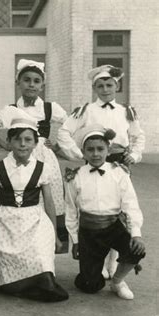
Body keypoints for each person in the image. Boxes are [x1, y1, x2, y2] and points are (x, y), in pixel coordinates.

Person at [57, 65, 146, 278]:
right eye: (100, 86)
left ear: (117, 85)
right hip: (93, 158)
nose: (105, 89)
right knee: (95, 204)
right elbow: (63, 132)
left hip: (118, 163)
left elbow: (138, 136)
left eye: (109, 85)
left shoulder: (126, 111)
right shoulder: (87, 110)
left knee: (119, 213)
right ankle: (98, 261)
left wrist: (133, 155)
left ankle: (113, 264)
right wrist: (78, 154)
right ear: (94, 88)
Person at [0, 59, 69, 253]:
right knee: (23, 202)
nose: (32, 84)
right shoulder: (10, 109)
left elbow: (71, 125)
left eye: (36, 81)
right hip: (19, 158)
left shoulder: (49, 108)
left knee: (49, 201)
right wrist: (7, 145)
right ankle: (20, 250)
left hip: (45, 159)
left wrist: (57, 146)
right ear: (18, 82)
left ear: (42, 84)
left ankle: (47, 251)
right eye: (27, 80)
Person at [0, 117, 68, 302]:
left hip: (35, 219)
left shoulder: (42, 168)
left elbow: (49, 203)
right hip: (7, 220)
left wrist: (54, 234)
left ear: (36, 143)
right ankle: (19, 284)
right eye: (17, 139)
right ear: (9, 142)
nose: (22, 144)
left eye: (28, 140)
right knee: (9, 275)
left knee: (40, 256)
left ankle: (42, 281)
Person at [65, 124, 146, 300]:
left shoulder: (119, 173)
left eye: (100, 149)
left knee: (136, 250)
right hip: (88, 232)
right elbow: (70, 210)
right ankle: (92, 270)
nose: (95, 154)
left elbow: (130, 204)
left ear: (108, 150)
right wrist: (75, 240)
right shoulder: (75, 176)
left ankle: (117, 281)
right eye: (90, 150)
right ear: (83, 152)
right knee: (90, 286)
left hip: (112, 227)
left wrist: (136, 234)